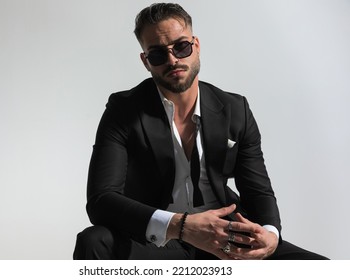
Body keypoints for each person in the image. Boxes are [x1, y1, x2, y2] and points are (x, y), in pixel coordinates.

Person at [73, 3, 328, 260]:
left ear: (196, 45)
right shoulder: (124, 110)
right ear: (146, 62)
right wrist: (180, 226)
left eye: (181, 47)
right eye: (158, 54)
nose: (173, 59)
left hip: (226, 234)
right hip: (161, 242)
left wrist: (270, 236)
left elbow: (257, 190)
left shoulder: (235, 108)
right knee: (94, 242)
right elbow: (101, 200)